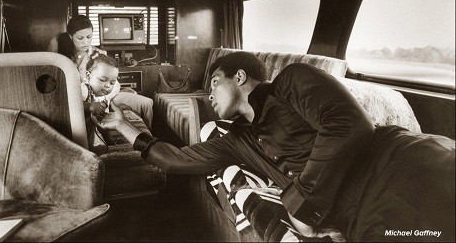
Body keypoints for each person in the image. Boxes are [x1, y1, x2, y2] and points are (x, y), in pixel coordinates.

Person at [93, 51, 455, 241]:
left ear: (240, 77)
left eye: (214, 82)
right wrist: (123, 125)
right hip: (364, 217)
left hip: (401, 165)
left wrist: (301, 206)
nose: (209, 94)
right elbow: (173, 161)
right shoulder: (238, 142)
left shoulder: (291, 82)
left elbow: (348, 124)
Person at [48, 14, 154, 129]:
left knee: (147, 103)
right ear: (70, 36)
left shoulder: (99, 55)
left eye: (89, 37)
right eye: (80, 38)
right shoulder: (60, 53)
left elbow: (115, 85)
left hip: (104, 96)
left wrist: (104, 101)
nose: (85, 42)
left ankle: (149, 138)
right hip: (74, 100)